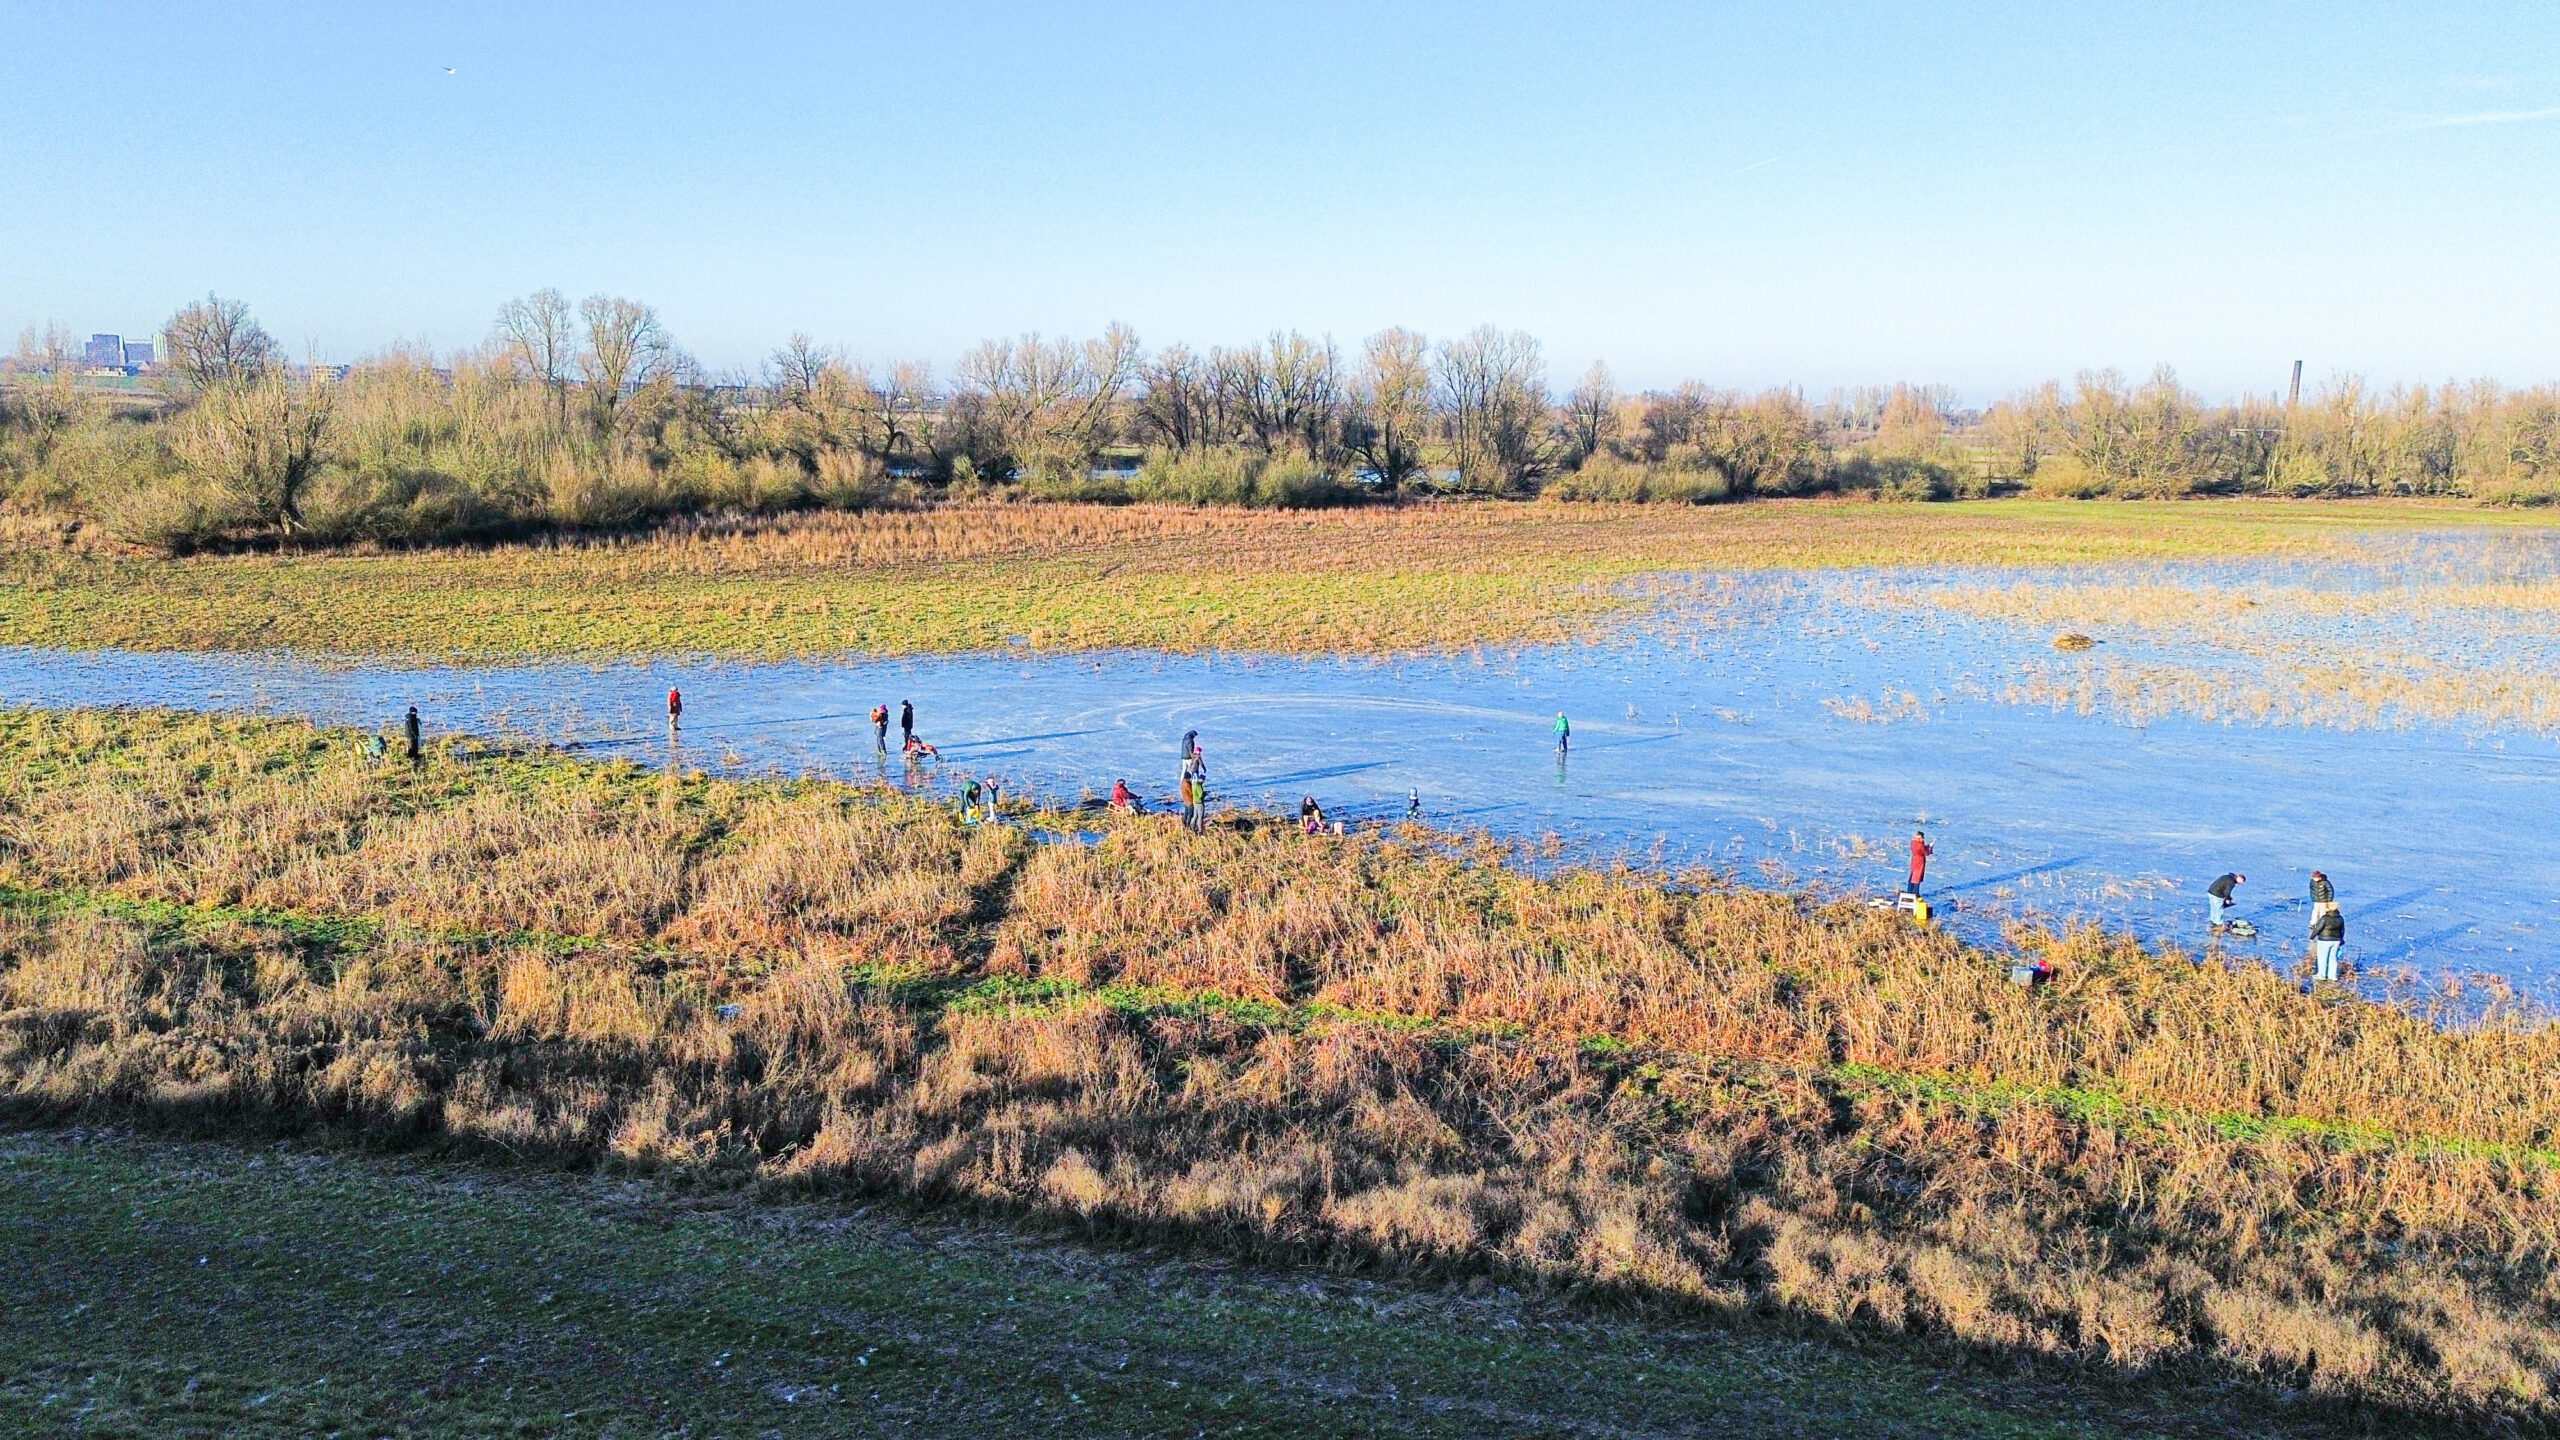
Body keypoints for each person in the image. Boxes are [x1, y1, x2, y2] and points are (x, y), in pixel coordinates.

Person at [2311, 905, 2346, 983]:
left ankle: (2321, 975)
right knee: (2333, 958)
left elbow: (2318, 928)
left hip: (2324, 940)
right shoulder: (2340, 918)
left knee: (2322, 958)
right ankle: (2332, 976)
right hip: (2336, 941)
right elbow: (2342, 930)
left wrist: (2312, 937)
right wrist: (2341, 939)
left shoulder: (2324, 918)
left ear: (2327, 908)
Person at [1906, 830, 1934, 896]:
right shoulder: (1920, 845)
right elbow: (1926, 853)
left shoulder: (1913, 843)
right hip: (1920, 861)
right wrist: (1930, 847)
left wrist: (1927, 845)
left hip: (1914, 860)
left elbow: (1922, 848)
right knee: (1917, 878)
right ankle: (1916, 893)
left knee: (1912, 876)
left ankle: (1909, 891)